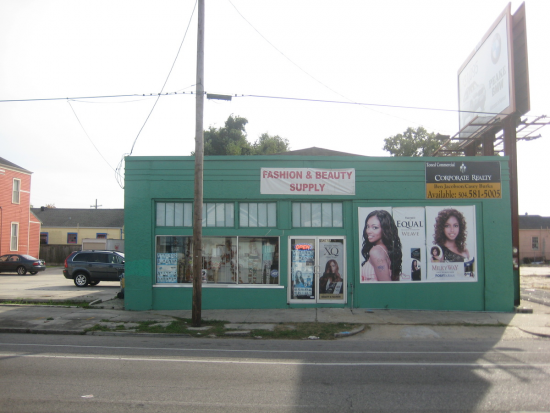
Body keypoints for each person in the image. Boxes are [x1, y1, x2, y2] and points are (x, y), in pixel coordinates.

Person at [360, 210, 402, 282]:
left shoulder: (376, 251)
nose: (368, 231)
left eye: (375, 227)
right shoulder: (385, 250)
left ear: (385, 230)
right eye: (368, 226)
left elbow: (385, 286)